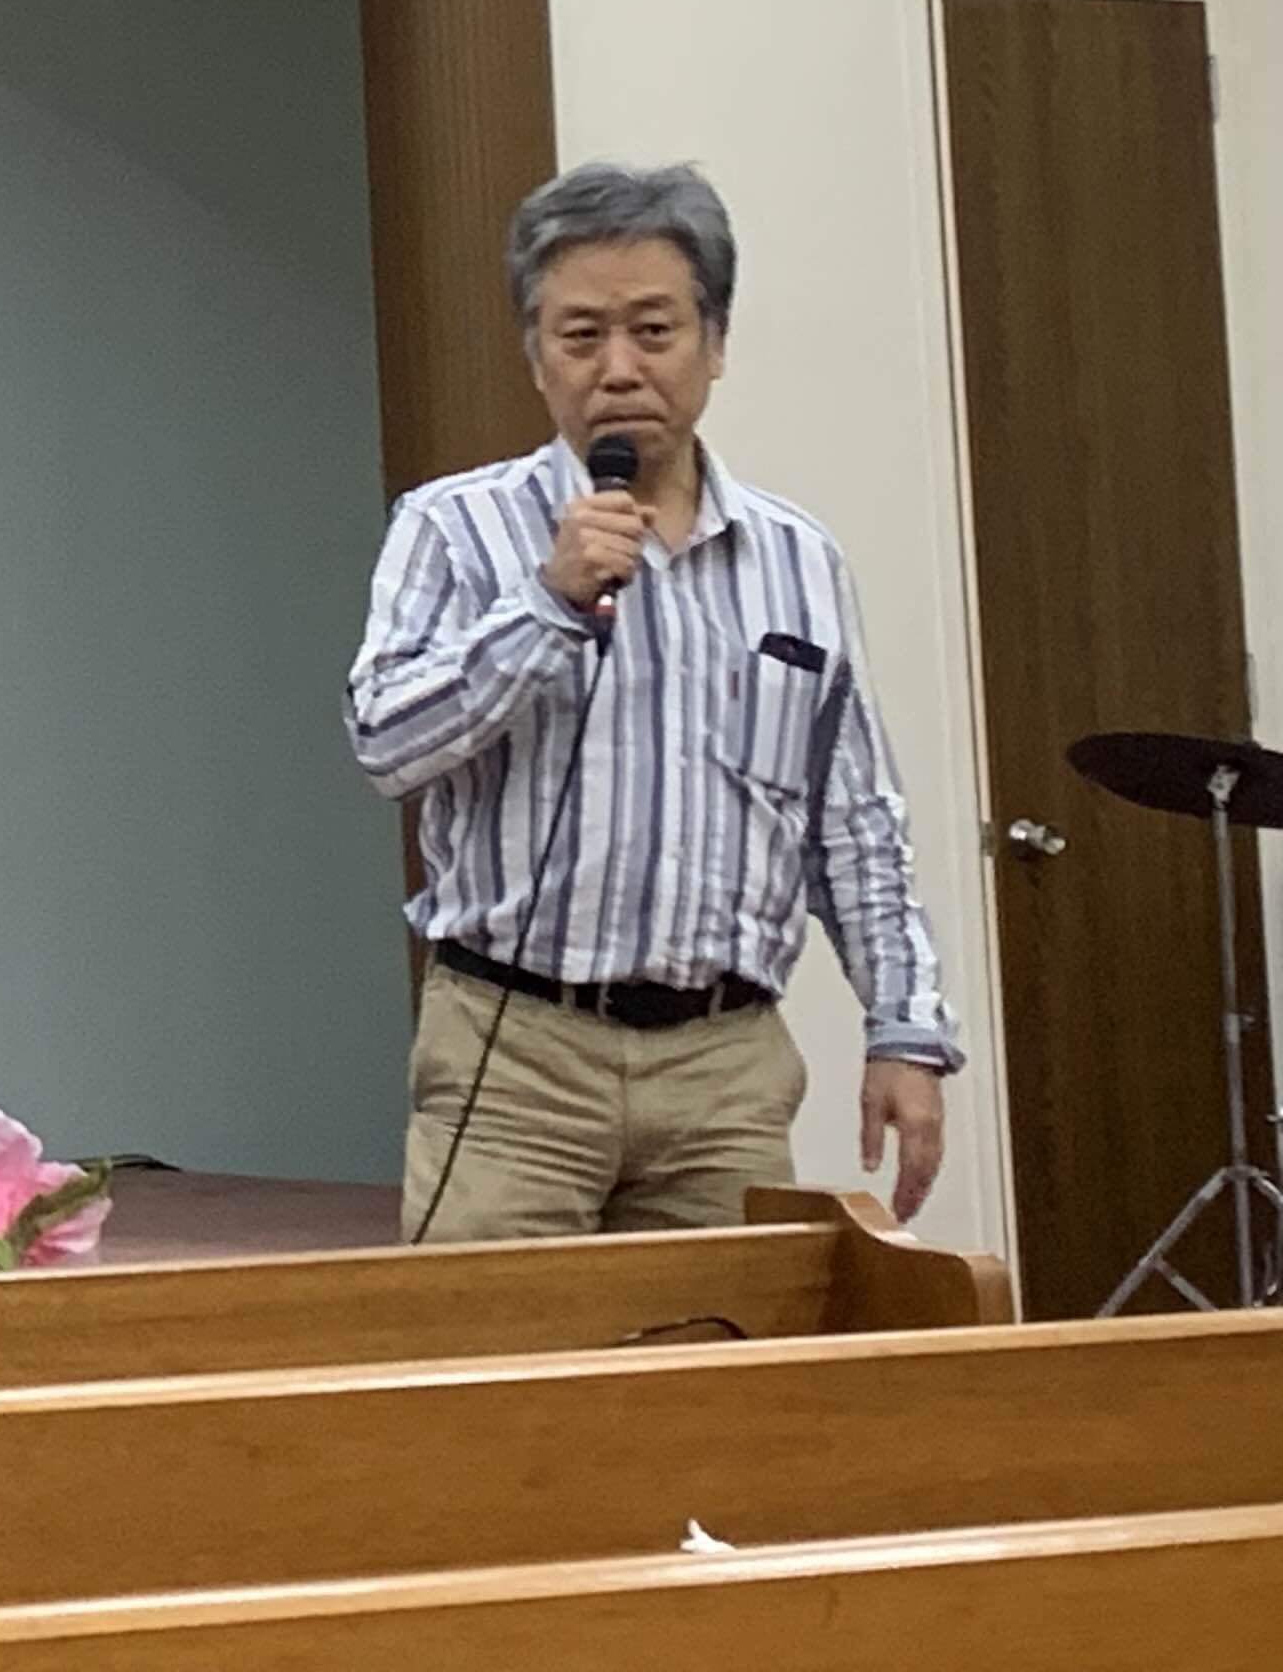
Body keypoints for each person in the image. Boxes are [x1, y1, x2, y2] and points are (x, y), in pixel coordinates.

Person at [346, 160, 958, 1240]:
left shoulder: (798, 560)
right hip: (514, 1054)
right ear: (537, 355)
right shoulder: (455, 527)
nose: (619, 368)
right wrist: (545, 604)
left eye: (654, 331)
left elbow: (855, 822)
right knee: (497, 1350)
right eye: (582, 336)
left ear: (715, 344)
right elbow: (386, 742)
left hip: (724, 1070)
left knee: (724, 1351)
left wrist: (904, 1030)